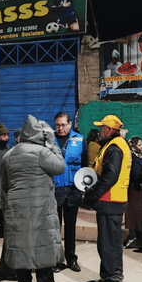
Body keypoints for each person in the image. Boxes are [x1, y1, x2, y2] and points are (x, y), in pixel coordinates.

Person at [0, 115, 66, 282]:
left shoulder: (9, 155)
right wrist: (54, 146)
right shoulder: (41, 153)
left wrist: (4, 207)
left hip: (16, 207)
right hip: (40, 206)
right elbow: (60, 167)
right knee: (41, 243)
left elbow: (3, 185)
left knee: (22, 243)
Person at [83, 115, 131, 282]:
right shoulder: (117, 145)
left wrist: (92, 193)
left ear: (109, 130)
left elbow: (110, 177)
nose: (100, 130)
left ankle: (113, 279)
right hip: (113, 202)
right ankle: (112, 275)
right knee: (112, 241)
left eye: (103, 127)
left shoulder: (114, 148)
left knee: (108, 243)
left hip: (110, 201)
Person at [52, 112, 87, 273]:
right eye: (57, 125)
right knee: (54, 227)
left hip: (73, 190)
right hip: (54, 189)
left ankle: (71, 259)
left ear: (70, 124)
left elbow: (86, 164)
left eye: (63, 125)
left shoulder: (80, 139)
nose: (60, 128)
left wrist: (83, 188)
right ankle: (56, 261)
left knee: (71, 226)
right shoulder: (48, 140)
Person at [124, 136, 142, 249]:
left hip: (139, 190)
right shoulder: (134, 158)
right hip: (135, 190)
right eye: (139, 145)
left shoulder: (141, 156)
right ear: (133, 146)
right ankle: (134, 238)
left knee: (139, 215)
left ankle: (138, 239)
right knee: (135, 216)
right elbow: (135, 174)